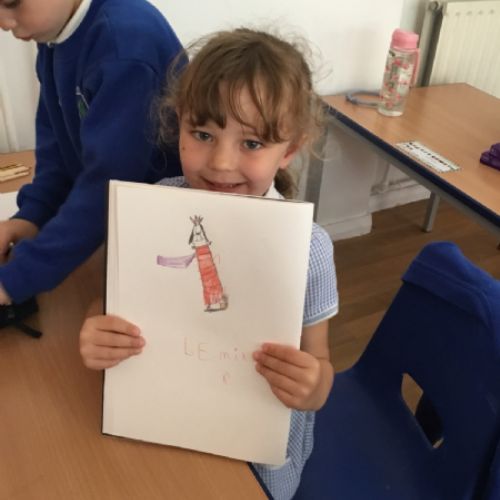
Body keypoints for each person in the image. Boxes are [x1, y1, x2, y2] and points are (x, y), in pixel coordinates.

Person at [79, 28, 338, 500]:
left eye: (252, 143)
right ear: (178, 124)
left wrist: (313, 384)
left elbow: (319, 365)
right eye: (202, 134)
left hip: (255, 459)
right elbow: (112, 304)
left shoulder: (309, 249)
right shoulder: (156, 206)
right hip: (162, 426)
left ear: (290, 149)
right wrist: (99, 328)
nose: (220, 163)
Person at [0, 0, 183, 306]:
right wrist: (33, 215)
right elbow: (57, 146)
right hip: (115, 227)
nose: (4, 23)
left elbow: (109, 187)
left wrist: (15, 280)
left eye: (11, 3)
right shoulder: (56, 34)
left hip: (166, 242)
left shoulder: (124, 44)